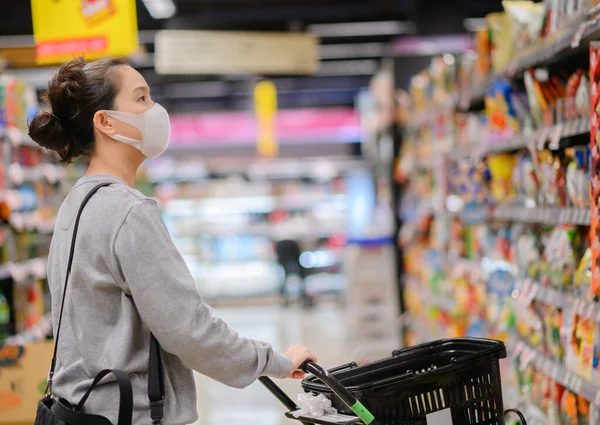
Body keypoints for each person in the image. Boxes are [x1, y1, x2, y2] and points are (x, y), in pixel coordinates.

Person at [28, 58, 316, 425]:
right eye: (142, 99)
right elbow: (188, 330)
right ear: (106, 122)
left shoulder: (77, 202)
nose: (155, 110)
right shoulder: (127, 210)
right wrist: (275, 360)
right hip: (128, 415)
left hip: (80, 407)